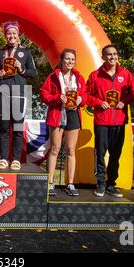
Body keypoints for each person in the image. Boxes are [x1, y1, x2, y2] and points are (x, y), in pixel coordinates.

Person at [86, 44, 134, 197]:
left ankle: (111, 184)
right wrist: (98, 102)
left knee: (116, 154)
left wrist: (125, 101)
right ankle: (101, 183)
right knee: (101, 153)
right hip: (102, 121)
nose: (112, 57)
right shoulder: (95, 75)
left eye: (115, 54)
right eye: (109, 54)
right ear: (103, 57)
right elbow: (86, 95)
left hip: (119, 121)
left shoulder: (126, 74)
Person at [40, 49, 86, 196]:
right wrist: (57, 98)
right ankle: (50, 183)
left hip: (73, 114)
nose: (70, 62)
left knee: (71, 150)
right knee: (55, 148)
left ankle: (70, 184)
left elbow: (85, 95)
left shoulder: (78, 77)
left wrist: (81, 100)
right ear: (62, 60)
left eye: (72, 59)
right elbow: (44, 94)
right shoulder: (53, 76)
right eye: (67, 59)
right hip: (57, 113)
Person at [0, 21, 37, 171]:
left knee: (18, 128)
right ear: (5, 36)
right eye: (8, 33)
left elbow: (33, 73)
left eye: (14, 33)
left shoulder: (26, 53)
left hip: (19, 93)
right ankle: (4, 158)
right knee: (4, 128)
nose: (11, 36)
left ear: (18, 35)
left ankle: (16, 159)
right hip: (4, 92)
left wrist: (21, 68)